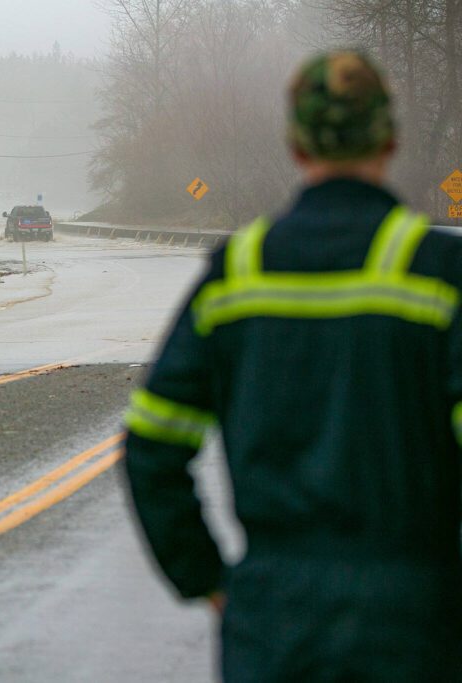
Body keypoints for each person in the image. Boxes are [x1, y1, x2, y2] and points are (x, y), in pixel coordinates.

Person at [123, 51, 462, 681]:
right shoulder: (436, 275)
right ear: (389, 139)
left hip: (273, 621)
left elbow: (151, 444)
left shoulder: (237, 275)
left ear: (295, 145)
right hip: (415, 619)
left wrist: (207, 579)